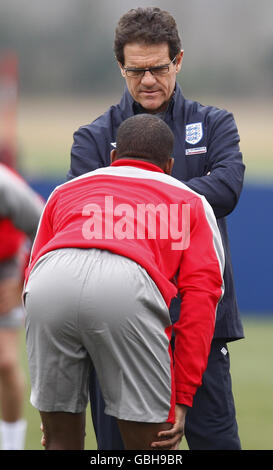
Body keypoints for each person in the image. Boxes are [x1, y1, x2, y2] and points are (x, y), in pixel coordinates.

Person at [67, 7, 245, 450]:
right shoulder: (91, 138)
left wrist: (136, 202)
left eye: (158, 68)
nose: (148, 80)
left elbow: (227, 188)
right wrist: (177, 204)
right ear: (120, 68)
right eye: (136, 70)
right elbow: (91, 216)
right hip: (116, 325)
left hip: (201, 325)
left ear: (178, 61)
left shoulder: (214, 124)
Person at [24, 114, 224, 450]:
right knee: (153, 447)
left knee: (59, 439)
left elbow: (33, 270)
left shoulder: (66, 191)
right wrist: (183, 394)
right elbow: (201, 299)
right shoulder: (189, 200)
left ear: (114, 157)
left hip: (49, 283)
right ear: (170, 165)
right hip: (126, 284)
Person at [0, 162, 43, 450]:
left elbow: (44, 225)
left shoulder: (4, 186)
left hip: (5, 271)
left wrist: (22, 284)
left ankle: (11, 445)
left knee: (4, 362)